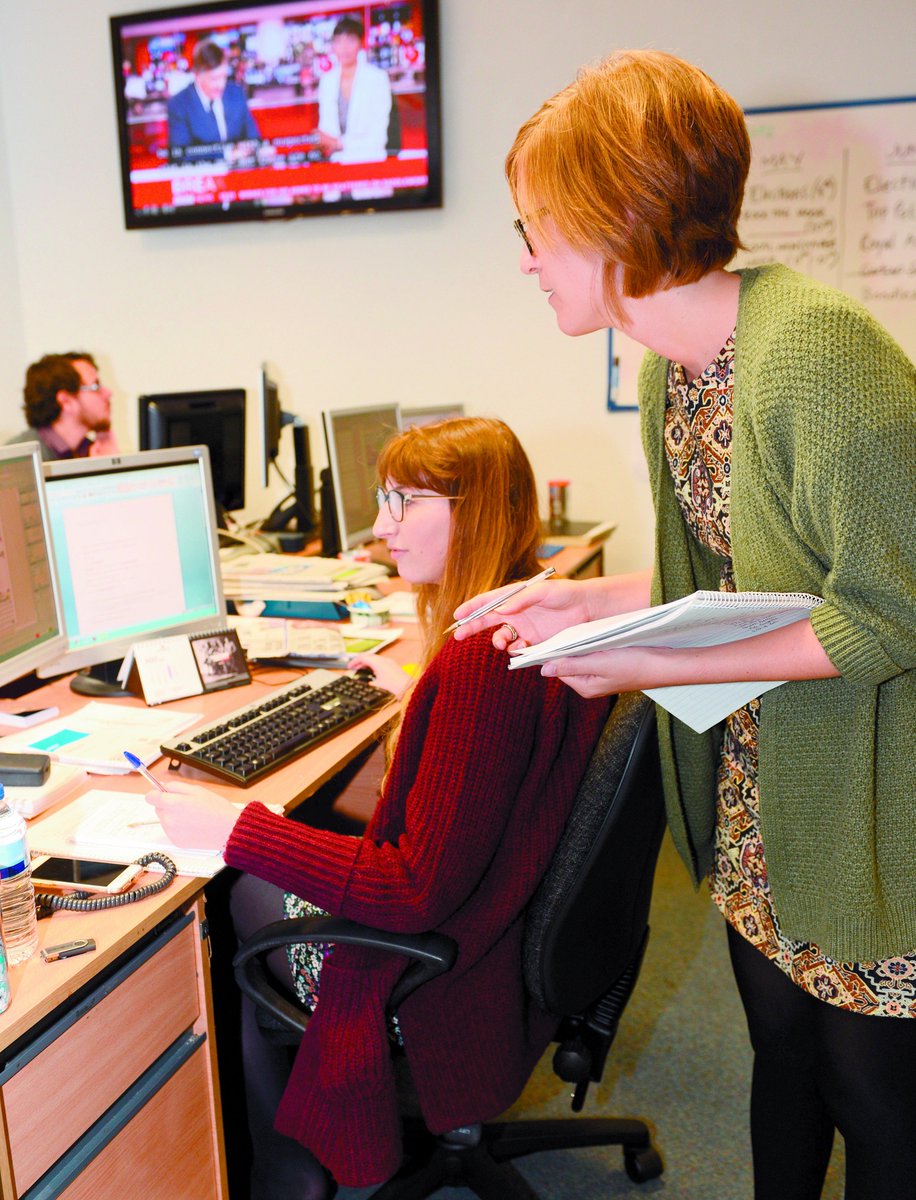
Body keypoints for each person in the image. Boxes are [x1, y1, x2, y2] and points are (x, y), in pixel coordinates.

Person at [453, 50, 916, 1200]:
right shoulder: (674, 368)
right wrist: (594, 603)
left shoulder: (815, 353)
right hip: (765, 786)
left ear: (615, 217)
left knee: (876, 1102)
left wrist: (652, 659)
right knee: (782, 1063)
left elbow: (888, 614)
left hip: (868, 798)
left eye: (535, 226)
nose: (524, 258)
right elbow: (727, 574)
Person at [146, 417, 611, 1194]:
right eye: (381, 501)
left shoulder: (480, 670)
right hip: (495, 938)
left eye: (405, 503)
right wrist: (421, 700)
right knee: (296, 843)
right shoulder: (522, 622)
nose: (381, 527)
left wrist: (235, 828)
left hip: (444, 975)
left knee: (234, 890)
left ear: (475, 511)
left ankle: (293, 1174)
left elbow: (411, 888)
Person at [7, 351, 119, 460]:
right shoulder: (19, 459)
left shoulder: (91, 451)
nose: (108, 393)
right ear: (65, 401)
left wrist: (111, 465)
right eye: (95, 386)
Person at [167, 39, 260, 161]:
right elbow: (180, 155)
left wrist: (260, 149)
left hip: (240, 174)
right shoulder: (179, 104)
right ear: (197, 75)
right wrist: (228, 155)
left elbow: (253, 136)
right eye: (214, 79)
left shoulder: (236, 93)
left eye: (223, 76)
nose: (220, 85)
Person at [316, 16, 392, 163]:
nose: (344, 47)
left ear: (361, 43)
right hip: (336, 165)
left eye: (350, 40)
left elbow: (378, 138)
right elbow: (325, 130)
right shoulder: (327, 81)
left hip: (368, 162)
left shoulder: (377, 78)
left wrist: (339, 143)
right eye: (338, 41)